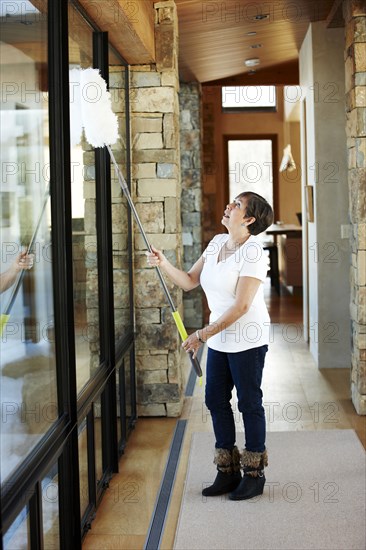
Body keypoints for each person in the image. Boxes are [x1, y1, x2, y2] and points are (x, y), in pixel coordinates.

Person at [146, 191, 273, 501]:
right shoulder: (217, 242)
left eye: (237, 205)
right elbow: (189, 280)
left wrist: (201, 334)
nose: (228, 206)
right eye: (231, 201)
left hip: (247, 338)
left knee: (248, 403)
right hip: (219, 338)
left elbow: (242, 306)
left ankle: (254, 474)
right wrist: (163, 264)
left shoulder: (254, 252)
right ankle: (227, 471)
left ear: (249, 219)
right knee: (216, 399)